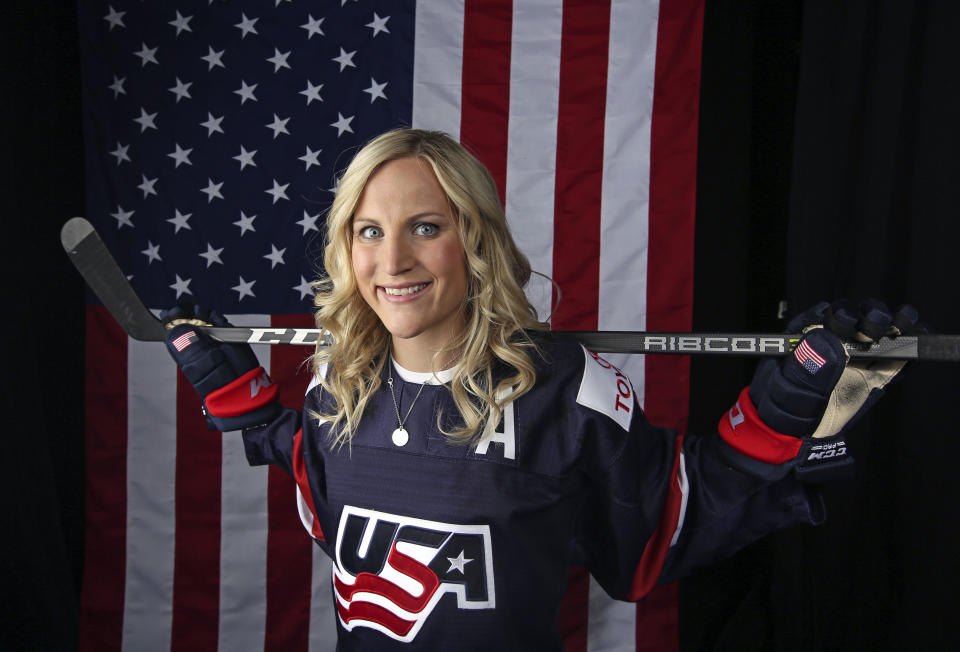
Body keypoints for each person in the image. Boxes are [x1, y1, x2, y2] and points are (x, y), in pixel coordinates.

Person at [161, 129, 923, 650]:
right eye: (367, 230)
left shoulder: (561, 389)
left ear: (477, 240)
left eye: (425, 226)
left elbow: (667, 524)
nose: (391, 258)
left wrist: (790, 414)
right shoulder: (338, 381)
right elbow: (325, 491)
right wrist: (254, 414)